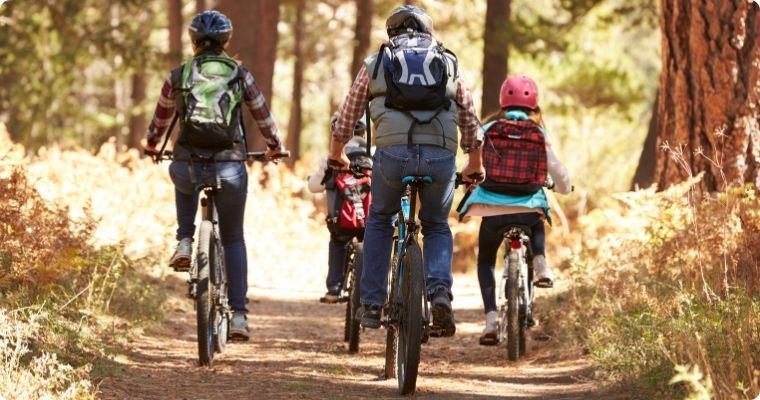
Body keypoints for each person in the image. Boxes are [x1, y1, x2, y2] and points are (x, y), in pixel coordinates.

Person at [329, 5, 484, 337]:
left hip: (392, 156)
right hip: (440, 157)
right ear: (428, 32)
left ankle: (371, 304)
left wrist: (336, 155)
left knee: (380, 218)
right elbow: (469, 117)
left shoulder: (376, 63)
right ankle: (439, 292)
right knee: (437, 225)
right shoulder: (449, 62)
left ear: (391, 33)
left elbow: (346, 117)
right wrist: (475, 162)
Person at [142, 11, 285, 341]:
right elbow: (263, 116)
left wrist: (152, 144)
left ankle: (184, 239)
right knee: (233, 238)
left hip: (187, 162)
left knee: (184, 176)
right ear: (226, 42)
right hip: (230, 164)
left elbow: (160, 120)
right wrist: (275, 146)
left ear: (193, 41)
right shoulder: (240, 75)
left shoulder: (179, 75)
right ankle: (238, 316)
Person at [458, 75, 572, 345]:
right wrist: (565, 188)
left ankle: (489, 321)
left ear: (502, 101)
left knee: (486, 260)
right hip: (526, 205)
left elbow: (473, 163)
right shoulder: (538, 133)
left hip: (492, 206)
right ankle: (540, 261)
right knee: (537, 215)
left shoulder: (488, 128)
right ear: (534, 103)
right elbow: (557, 171)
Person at [307, 115, 372, 303]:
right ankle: (375, 293)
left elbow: (314, 186)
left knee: (338, 242)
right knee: (375, 244)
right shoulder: (373, 154)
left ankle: (334, 288)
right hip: (370, 220)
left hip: (341, 221)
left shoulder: (332, 158)